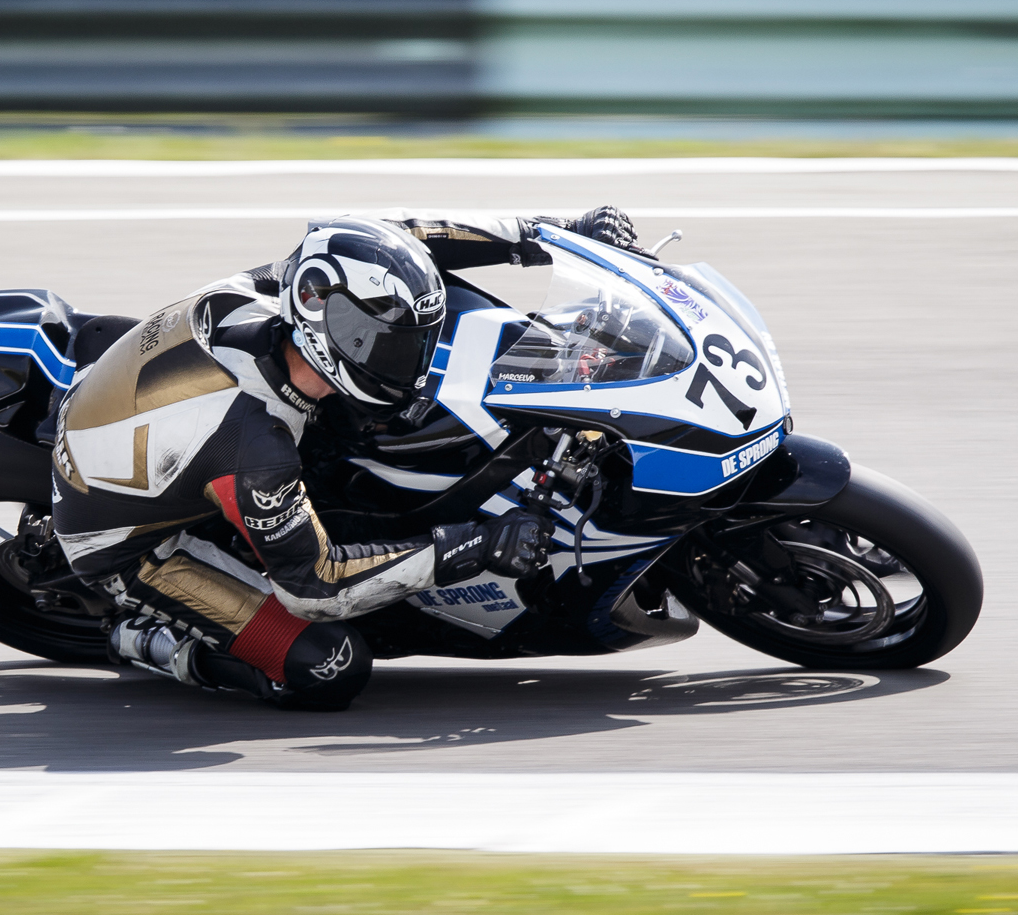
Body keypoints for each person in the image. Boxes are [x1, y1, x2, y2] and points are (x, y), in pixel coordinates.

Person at [49, 206, 644, 710]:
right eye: (395, 342)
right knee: (330, 665)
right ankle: (146, 640)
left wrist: (549, 234)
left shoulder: (308, 282)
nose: (411, 354)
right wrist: (472, 546)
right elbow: (317, 586)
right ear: (330, 333)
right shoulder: (256, 451)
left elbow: (409, 244)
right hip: (134, 546)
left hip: (150, 422)